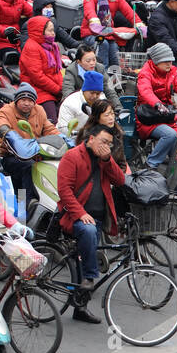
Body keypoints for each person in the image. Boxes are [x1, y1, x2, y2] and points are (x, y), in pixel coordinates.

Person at [56, 124, 125, 323]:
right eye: (103, 142)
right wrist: (80, 213)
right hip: (76, 217)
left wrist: (107, 159)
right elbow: (65, 191)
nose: (106, 146)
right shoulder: (72, 157)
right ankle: (90, 276)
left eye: (110, 144)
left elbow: (120, 180)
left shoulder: (104, 159)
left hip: (100, 215)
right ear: (91, 138)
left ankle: (80, 308)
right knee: (87, 230)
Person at [0, 82, 57, 212]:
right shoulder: (6, 110)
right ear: (17, 100)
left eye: (30, 100)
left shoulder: (39, 110)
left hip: (36, 153)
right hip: (12, 156)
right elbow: (1, 125)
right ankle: (26, 205)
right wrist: (10, 135)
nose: (27, 103)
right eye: (23, 100)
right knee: (29, 167)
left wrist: (61, 139)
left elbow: (49, 129)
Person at [135, 43, 177, 170]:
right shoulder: (145, 73)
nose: (169, 64)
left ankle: (175, 169)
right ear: (156, 61)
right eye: (165, 61)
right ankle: (150, 165)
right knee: (170, 135)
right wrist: (157, 104)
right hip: (149, 117)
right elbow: (145, 91)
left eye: (171, 61)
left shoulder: (171, 72)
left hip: (167, 115)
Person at [82, 0, 146, 68]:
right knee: (103, 45)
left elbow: (127, 10)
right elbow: (89, 10)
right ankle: (102, 75)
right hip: (91, 32)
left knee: (115, 54)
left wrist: (138, 23)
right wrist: (94, 22)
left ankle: (114, 79)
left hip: (108, 32)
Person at [19, 15, 65, 123]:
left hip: (53, 89)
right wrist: (57, 90)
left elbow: (57, 71)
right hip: (38, 90)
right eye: (50, 31)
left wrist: (63, 88)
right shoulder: (31, 48)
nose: (53, 33)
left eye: (53, 30)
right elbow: (37, 77)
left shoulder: (52, 46)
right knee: (52, 121)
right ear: (39, 31)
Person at [64, 43, 121, 112]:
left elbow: (109, 90)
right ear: (79, 62)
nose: (92, 63)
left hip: (96, 101)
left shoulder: (100, 68)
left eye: (94, 60)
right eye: (88, 61)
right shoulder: (71, 70)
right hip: (78, 103)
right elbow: (68, 91)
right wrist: (77, 107)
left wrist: (118, 107)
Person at [56, 68, 103, 138]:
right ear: (84, 90)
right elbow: (63, 128)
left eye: (98, 94)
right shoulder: (70, 102)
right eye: (92, 93)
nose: (95, 96)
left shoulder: (102, 100)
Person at [79, 98, 126, 167]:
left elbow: (121, 163)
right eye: (107, 115)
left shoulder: (117, 133)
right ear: (97, 117)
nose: (111, 118)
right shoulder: (87, 135)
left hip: (113, 174)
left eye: (112, 114)